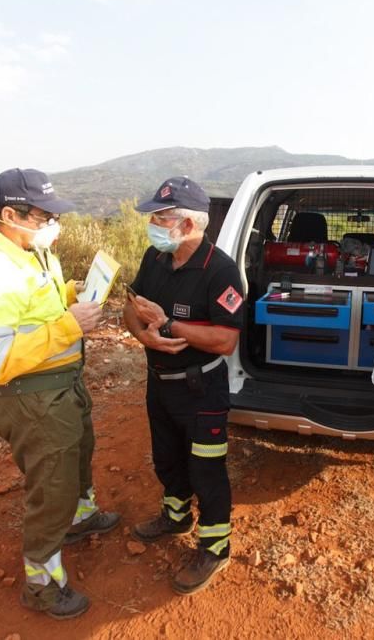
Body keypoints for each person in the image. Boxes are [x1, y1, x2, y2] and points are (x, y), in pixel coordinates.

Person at [0, 168, 120, 620]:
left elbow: (33, 308)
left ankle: (79, 518)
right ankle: (42, 585)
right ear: (10, 214)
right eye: (44, 216)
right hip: (30, 397)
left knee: (77, 456)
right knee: (51, 488)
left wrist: (73, 297)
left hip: (57, 387)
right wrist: (68, 326)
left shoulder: (24, 251)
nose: (53, 224)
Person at [123, 176, 243, 595]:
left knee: (206, 471)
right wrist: (145, 336)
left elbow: (226, 340)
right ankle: (175, 516)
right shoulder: (155, 257)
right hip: (160, 384)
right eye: (154, 216)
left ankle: (215, 547)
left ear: (189, 225)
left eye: (161, 217)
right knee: (166, 457)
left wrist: (170, 325)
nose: (154, 224)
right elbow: (131, 308)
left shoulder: (221, 272)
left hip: (201, 391)